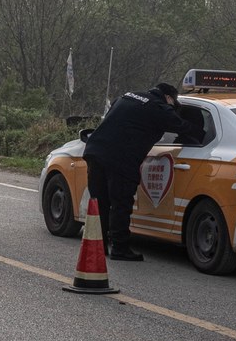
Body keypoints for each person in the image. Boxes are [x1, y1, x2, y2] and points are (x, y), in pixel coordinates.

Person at [82, 82, 204, 261]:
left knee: (100, 203)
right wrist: (201, 132)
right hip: (121, 158)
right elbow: (183, 127)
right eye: (173, 103)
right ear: (169, 98)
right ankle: (120, 248)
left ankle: (98, 246)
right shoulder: (159, 107)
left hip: (95, 152)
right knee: (121, 203)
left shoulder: (126, 96)